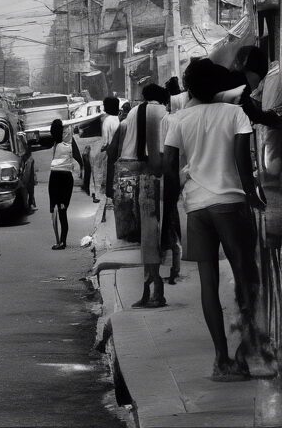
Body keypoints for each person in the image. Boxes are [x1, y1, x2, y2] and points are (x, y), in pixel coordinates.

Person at [164, 59, 265, 382]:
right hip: (230, 204)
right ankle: (245, 352)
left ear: (189, 88)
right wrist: (253, 197)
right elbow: (242, 164)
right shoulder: (234, 114)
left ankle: (221, 359)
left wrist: (171, 207)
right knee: (246, 278)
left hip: (197, 207)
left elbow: (169, 168)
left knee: (208, 285)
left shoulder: (178, 119)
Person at [113, 83, 169, 308]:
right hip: (152, 175)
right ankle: (155, 287)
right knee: (153, 233)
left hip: (130, 173)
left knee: (145, 235)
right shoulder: (164, 112)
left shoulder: (134, 112)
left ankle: (150, 287)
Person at [48, 119, 83, 250]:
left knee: (55, 209)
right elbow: (78, 157)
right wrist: (82, 168)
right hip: (66, 178)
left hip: (55, 178)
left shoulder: (55, 141)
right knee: (63, 210)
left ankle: (60, 241)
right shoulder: (69, 141)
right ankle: (62, 241)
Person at [91, 96, 121, 203]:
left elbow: (105, 142)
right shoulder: (119, 119)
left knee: (106, 174)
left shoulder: (107, 121)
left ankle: (103, 196)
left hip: (109, 152)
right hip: (119, 152)